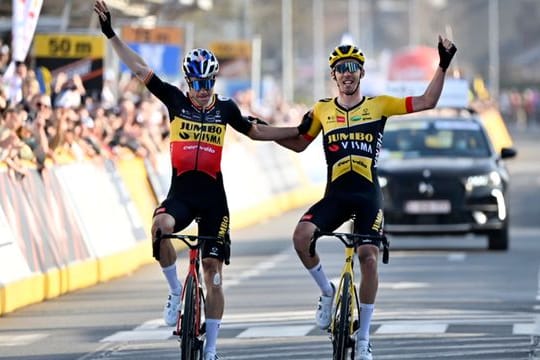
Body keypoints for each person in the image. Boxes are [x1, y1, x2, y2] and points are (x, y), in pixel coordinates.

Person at [93, 2, 301, 359]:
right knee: (160, 227)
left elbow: (257, 132)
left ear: (214, 81)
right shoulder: (174, 100)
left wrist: (299, 130)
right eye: (197, 83)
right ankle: (175, 291)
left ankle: (212, 349)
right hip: (182, 195)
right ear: (188, 82)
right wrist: (111, 33)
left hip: (213, 202)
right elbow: (140, 67)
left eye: (208, 83)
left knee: (212, 273)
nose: (203, 89)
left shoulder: (226, 109)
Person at [275, 37, 456, 360]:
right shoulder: (321, 110)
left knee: (368, 256)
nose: (347, 74)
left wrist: (442, 64)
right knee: (301, 237)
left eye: (352, 68)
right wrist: (257, 131)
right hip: (336, 196)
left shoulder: (379, 105)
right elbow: (299, 141)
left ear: (361, 73)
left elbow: (427, 100)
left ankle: (363, 340)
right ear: (334, 76)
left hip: (367, 196)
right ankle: (327, 293)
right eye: (341, 69)